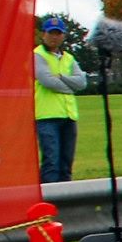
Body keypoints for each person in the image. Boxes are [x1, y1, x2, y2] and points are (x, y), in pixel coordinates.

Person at [33, 16, 87, 183]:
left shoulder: (68, 58)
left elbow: (82, 83)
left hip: (69, 115)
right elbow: (47, 81)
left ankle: (67, 198)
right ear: (43, 34)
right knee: (51, 161)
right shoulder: (37, 55)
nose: (54, 37)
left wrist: (62, 77)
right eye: (51, 33)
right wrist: (69, 88)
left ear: (63, 36)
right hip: (47, 115)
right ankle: (50, 200)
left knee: (66, 162)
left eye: (58, 33)